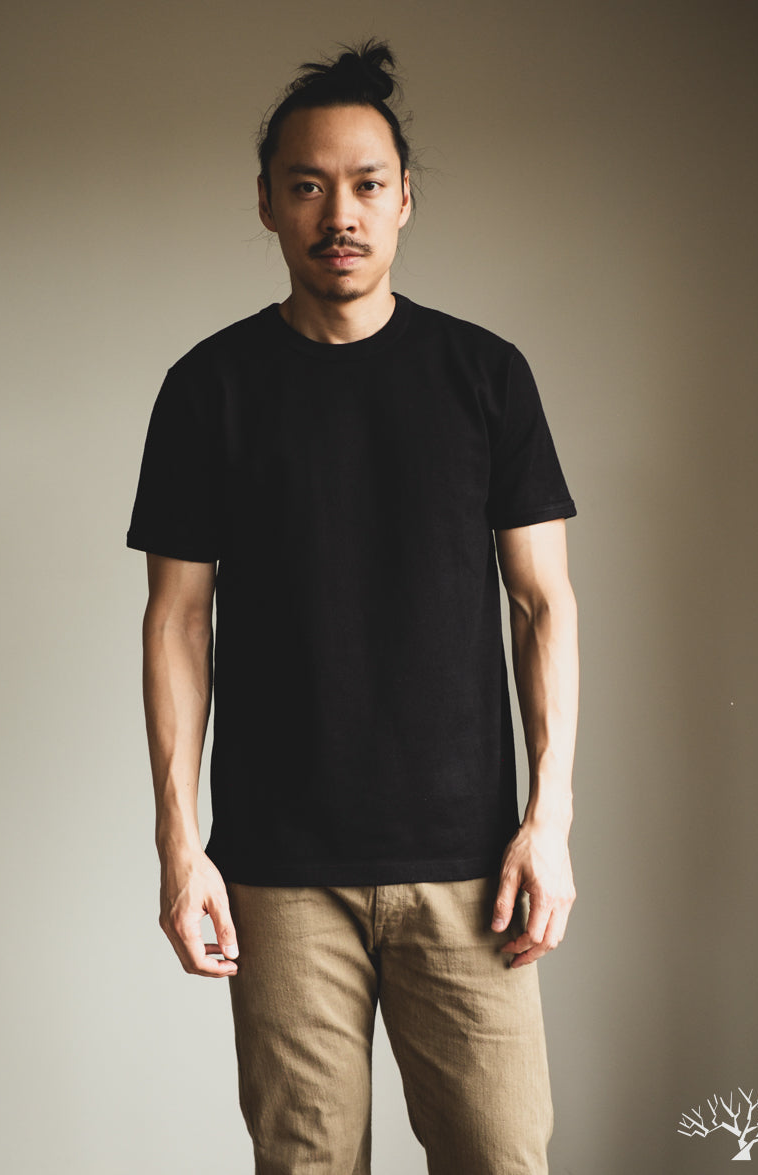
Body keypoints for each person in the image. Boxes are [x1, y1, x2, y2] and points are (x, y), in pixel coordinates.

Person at [127, 39, 578, 1175]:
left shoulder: (486, 377)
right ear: (268, 203)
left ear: (405, 197)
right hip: (280, 875)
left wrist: (550, 818)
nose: (341, 213)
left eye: (367, 184)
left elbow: (542, 603)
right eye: (309, 185)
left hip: (471, 867)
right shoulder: (208, 389)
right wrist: (180, 847)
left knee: (503, 1156)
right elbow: (176, 621)